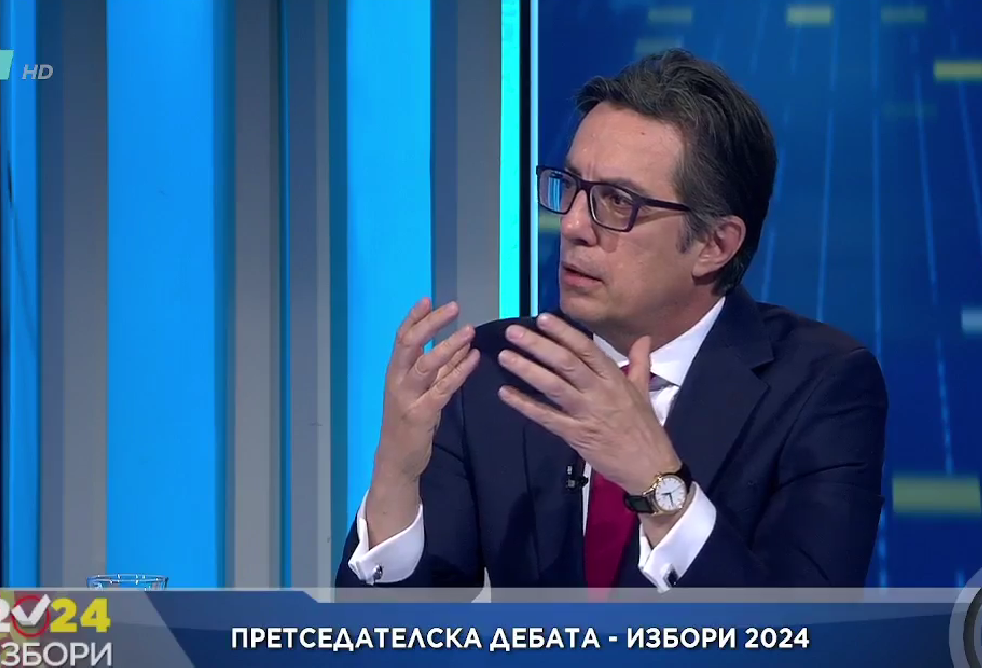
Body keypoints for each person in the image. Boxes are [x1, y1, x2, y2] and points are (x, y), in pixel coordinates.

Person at [334, 49, 887, 592]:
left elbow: (804, 633)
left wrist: (659, 485)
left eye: (618, 201)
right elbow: (387, 635)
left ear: (714, 245)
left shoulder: (820, 386)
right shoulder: (493, 370)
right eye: (571, 187)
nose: (573, 225)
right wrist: (394, 476)